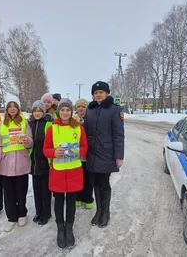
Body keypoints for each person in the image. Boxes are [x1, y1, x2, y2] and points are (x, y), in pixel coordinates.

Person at [43, 98, 88, 249]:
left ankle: (69, 228)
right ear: (58, 111)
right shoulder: (52, 129)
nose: (65, 112)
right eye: (62, 110)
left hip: (74, 170)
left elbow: (84, 146)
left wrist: (78, 152)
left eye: (68, 110)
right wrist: (54, 152)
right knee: (59, 201)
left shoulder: (78, 128)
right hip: (58, 171)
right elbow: (46, 149)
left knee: (71, 201)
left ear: (71, 111)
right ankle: (60, 228)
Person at [83, 81, 125, 228]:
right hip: (92, 153)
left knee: (104, 183)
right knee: (95, 182)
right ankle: (98, 211)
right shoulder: (90, 109)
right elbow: (85, 131)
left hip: (107, 153)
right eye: (95, 93)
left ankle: (106, 212)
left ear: (107, 93)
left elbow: (119, 134)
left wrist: (119, 156)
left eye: (101, 92)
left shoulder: (115, 110)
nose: (98, 94)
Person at [0, 101, 33, 232]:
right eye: (10, 107)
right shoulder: (1, 125)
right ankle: (11, 217)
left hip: (21, 162)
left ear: (18, 109)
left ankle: (22, 213)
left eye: (15, 107)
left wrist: (27, 140)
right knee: (8, 193)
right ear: (7, 110)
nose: (13, 109)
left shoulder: (24, 123)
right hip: (6, 164)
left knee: (21, 191)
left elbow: (30, 142)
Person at [28, 100, 53, 225]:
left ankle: (46, 213)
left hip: (45, 162)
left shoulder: (49, 124)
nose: (37, 113)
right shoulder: (29, 125)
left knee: (45, 190)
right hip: (34, 162)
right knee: (36, 189)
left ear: (44, 112)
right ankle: (38, 212)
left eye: (40, 111)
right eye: (35, 111)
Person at [74, 98, 94, 209]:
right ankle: (78, 197)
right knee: (77, 177)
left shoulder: (91, 119)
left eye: (83, 106)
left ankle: (88, 199)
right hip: (76, 154)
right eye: (78, 106)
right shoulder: (72, 119)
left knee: (88, 178)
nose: (81, 108)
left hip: (88, 154)